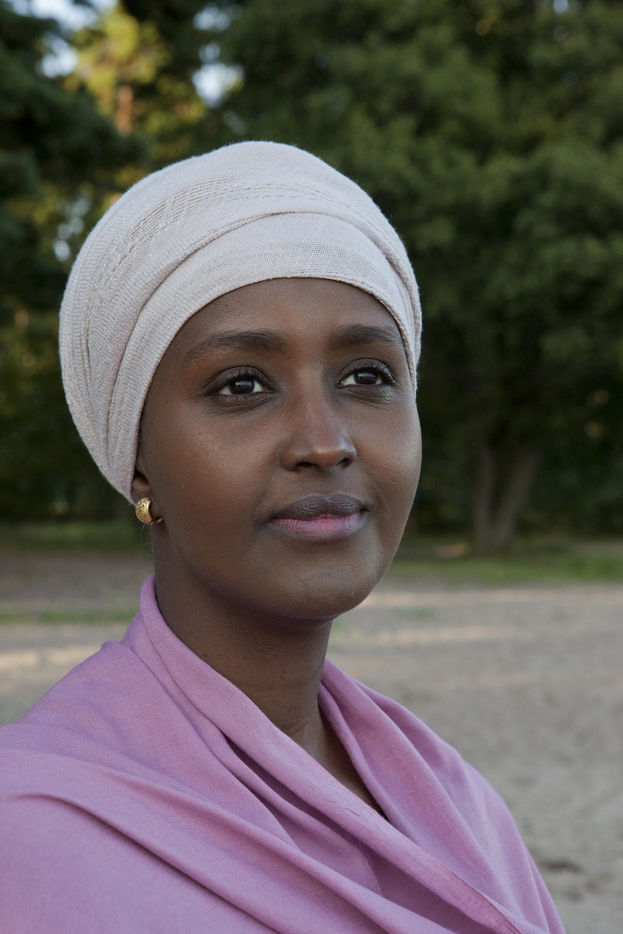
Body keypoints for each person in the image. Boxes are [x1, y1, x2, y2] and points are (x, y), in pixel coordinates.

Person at [0, 142, 565, 933]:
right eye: (242, 385)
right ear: (137, 457)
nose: (324, 442)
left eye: (367, 376)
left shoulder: (458, 805)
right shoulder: (33, 836)